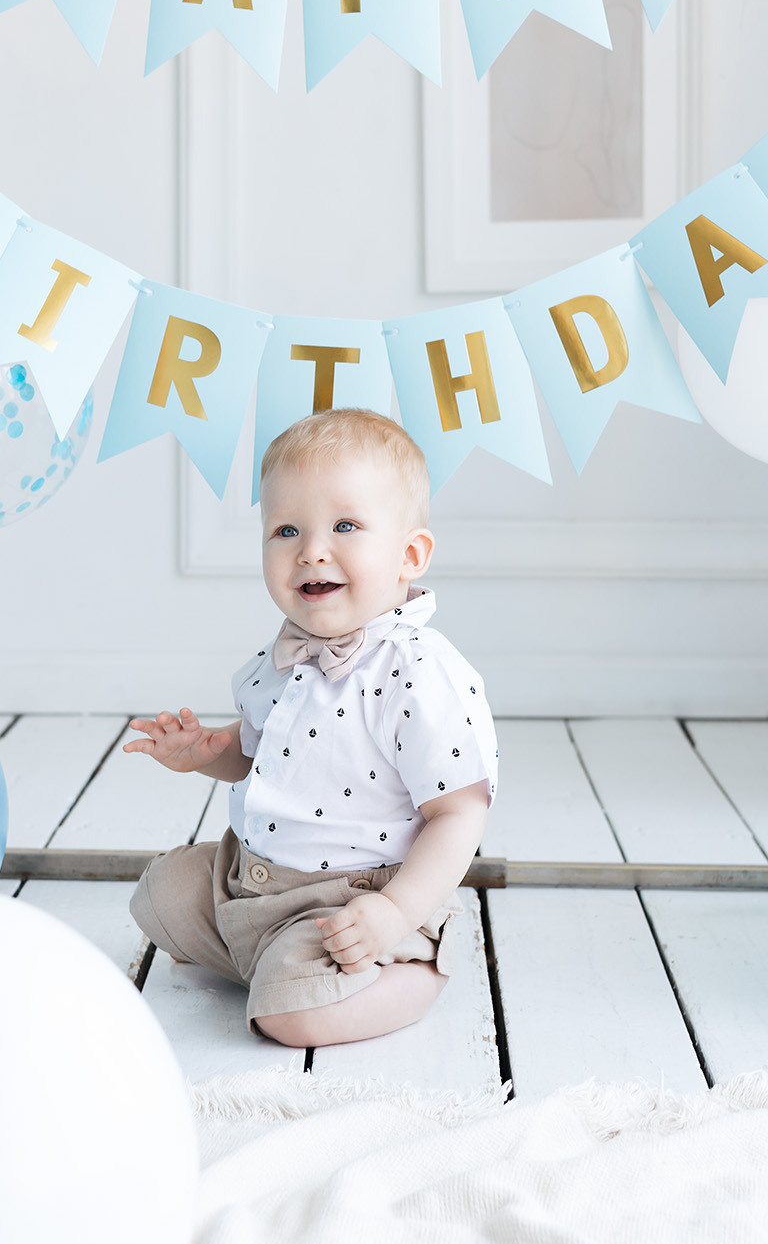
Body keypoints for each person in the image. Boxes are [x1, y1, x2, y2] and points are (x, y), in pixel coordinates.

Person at [126, 408, 498, 1048]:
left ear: (409, 554)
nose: (311, 550)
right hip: (250, 876)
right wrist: (206, 752)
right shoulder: (287, 652)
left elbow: (459, 814)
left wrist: (393, 912)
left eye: (345, 526)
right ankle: (269, 959)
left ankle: (413, 967)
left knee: (286, 1022)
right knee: (159, 896)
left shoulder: (418, 672)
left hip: (352, 898)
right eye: (286, 529)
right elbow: (259, 752)